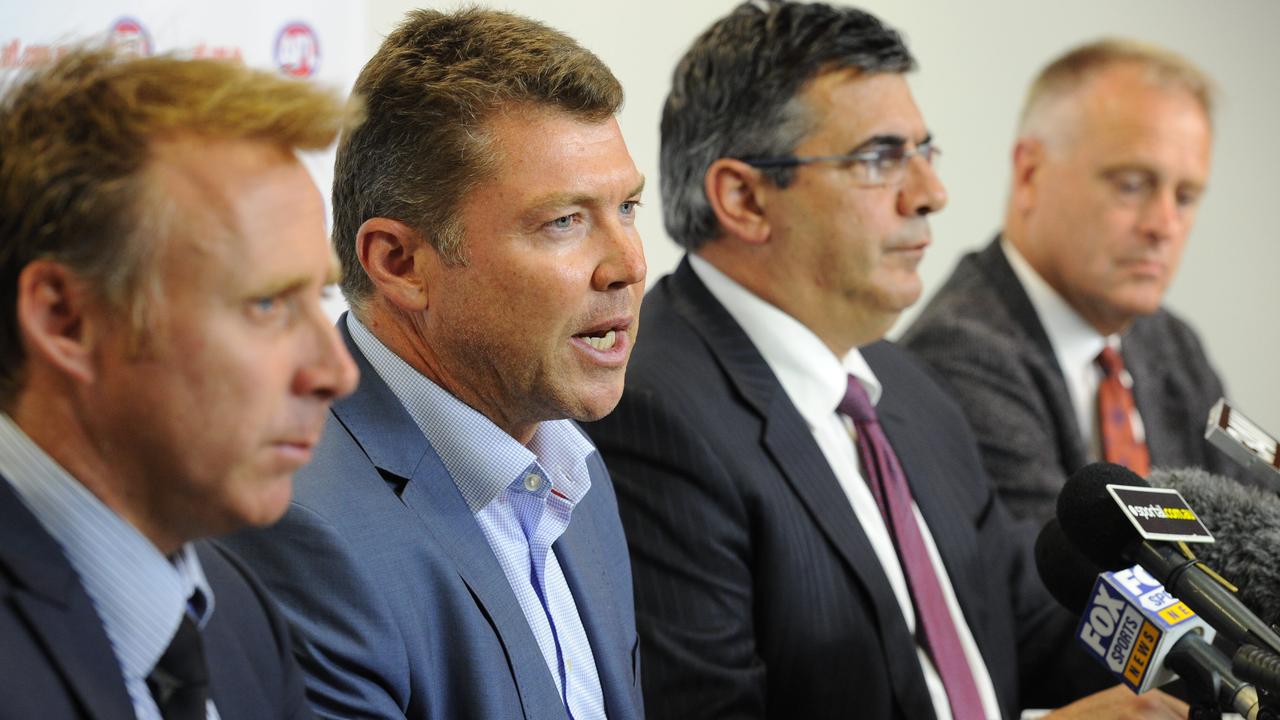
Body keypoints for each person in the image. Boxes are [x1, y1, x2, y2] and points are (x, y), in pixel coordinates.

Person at [584, 3, 1186, 719]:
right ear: (744, 199)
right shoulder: (652, 412)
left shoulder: (904, 387)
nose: (931, 194)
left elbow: (1034, 625)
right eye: (879, 159)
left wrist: (1215, 664)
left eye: (924, 153)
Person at [219, 8, 647, 720]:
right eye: (564, 221)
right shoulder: (297, 524)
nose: (628, 264)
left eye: (627, 207)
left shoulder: (576, 475)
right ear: (401, 263)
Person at [0, 47, 359, 718]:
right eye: (268, 305)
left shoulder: (240, 618)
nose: (336, 374)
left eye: (322, 297)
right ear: (65, 320)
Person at [903, 39, 1245, 525]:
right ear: (1030, 174)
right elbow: (1078, 590)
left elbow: (1253, 523)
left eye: (1186, 196)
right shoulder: (960, 354)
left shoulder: (1170, 343)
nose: (1164, 225)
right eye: (1131, 184)